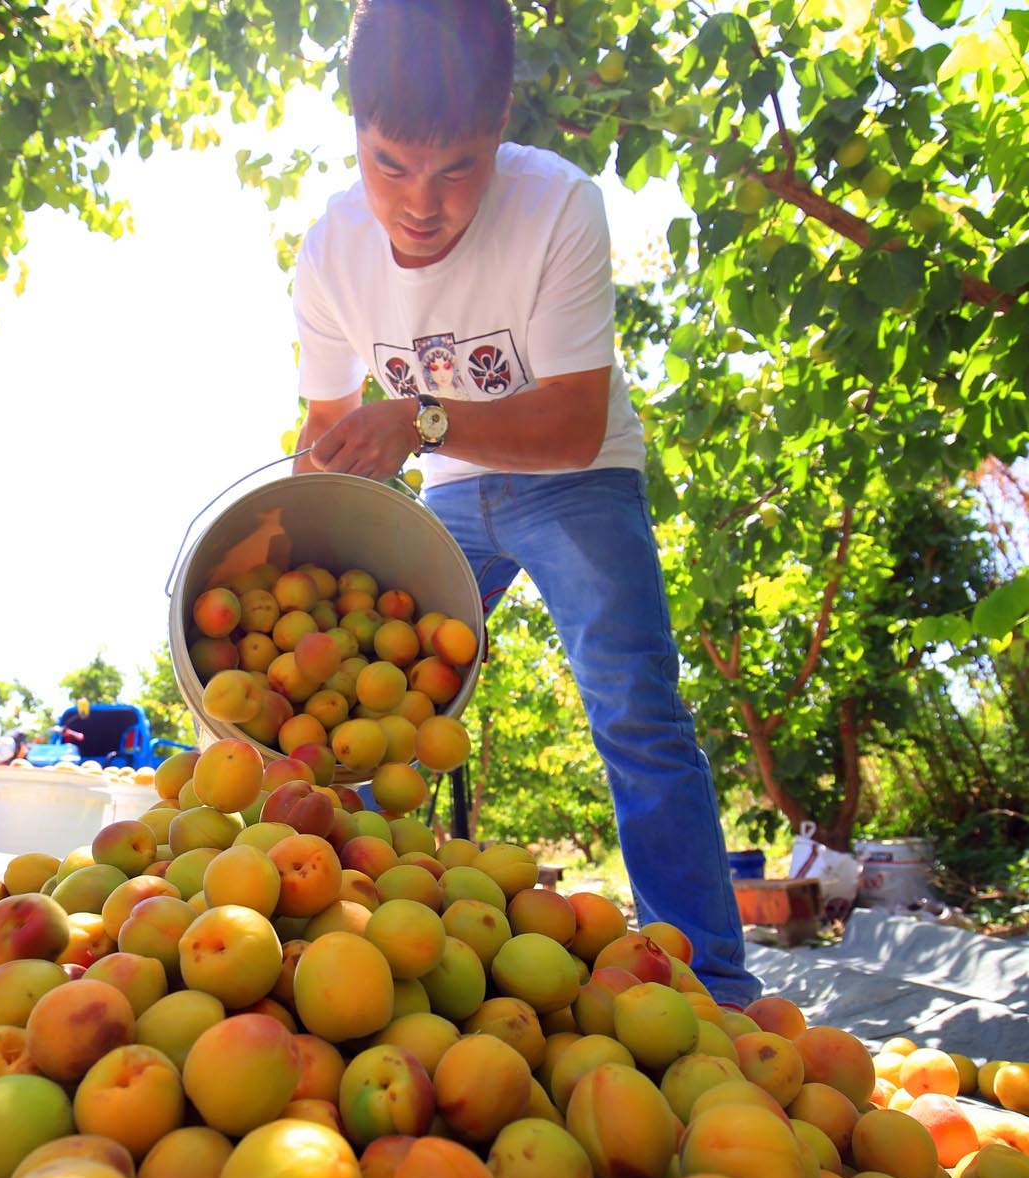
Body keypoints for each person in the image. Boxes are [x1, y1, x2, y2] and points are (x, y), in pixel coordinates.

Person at [290, 0, 759, 1005]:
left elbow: (570, 426)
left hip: (577, 483)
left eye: (455, 168)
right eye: (388, 165)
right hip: (450, 494)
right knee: (376, 708)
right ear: (354, 133)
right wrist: (300, 576)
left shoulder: (558, 205)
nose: (420, 203)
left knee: (634, 708)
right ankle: (355, 938)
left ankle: (712, 983)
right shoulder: (327, 253)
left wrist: (412, 419)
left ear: (499, 126)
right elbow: (328, 441)